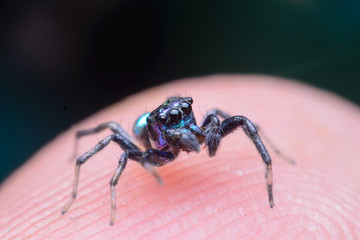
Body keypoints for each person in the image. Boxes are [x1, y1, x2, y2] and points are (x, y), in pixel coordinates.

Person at [1, 75, 359, 239]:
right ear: (163, 122)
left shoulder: (190, 120)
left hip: (164, 138)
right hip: (150, 147)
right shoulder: (154, 135)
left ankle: (272, 159)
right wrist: (144, 175)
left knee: (237, 119)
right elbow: (125, 157)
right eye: (174, 118)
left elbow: (211, 128)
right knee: (111, 133)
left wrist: (268, 156)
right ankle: (75, 194)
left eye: (186, 112)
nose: (183, 120)